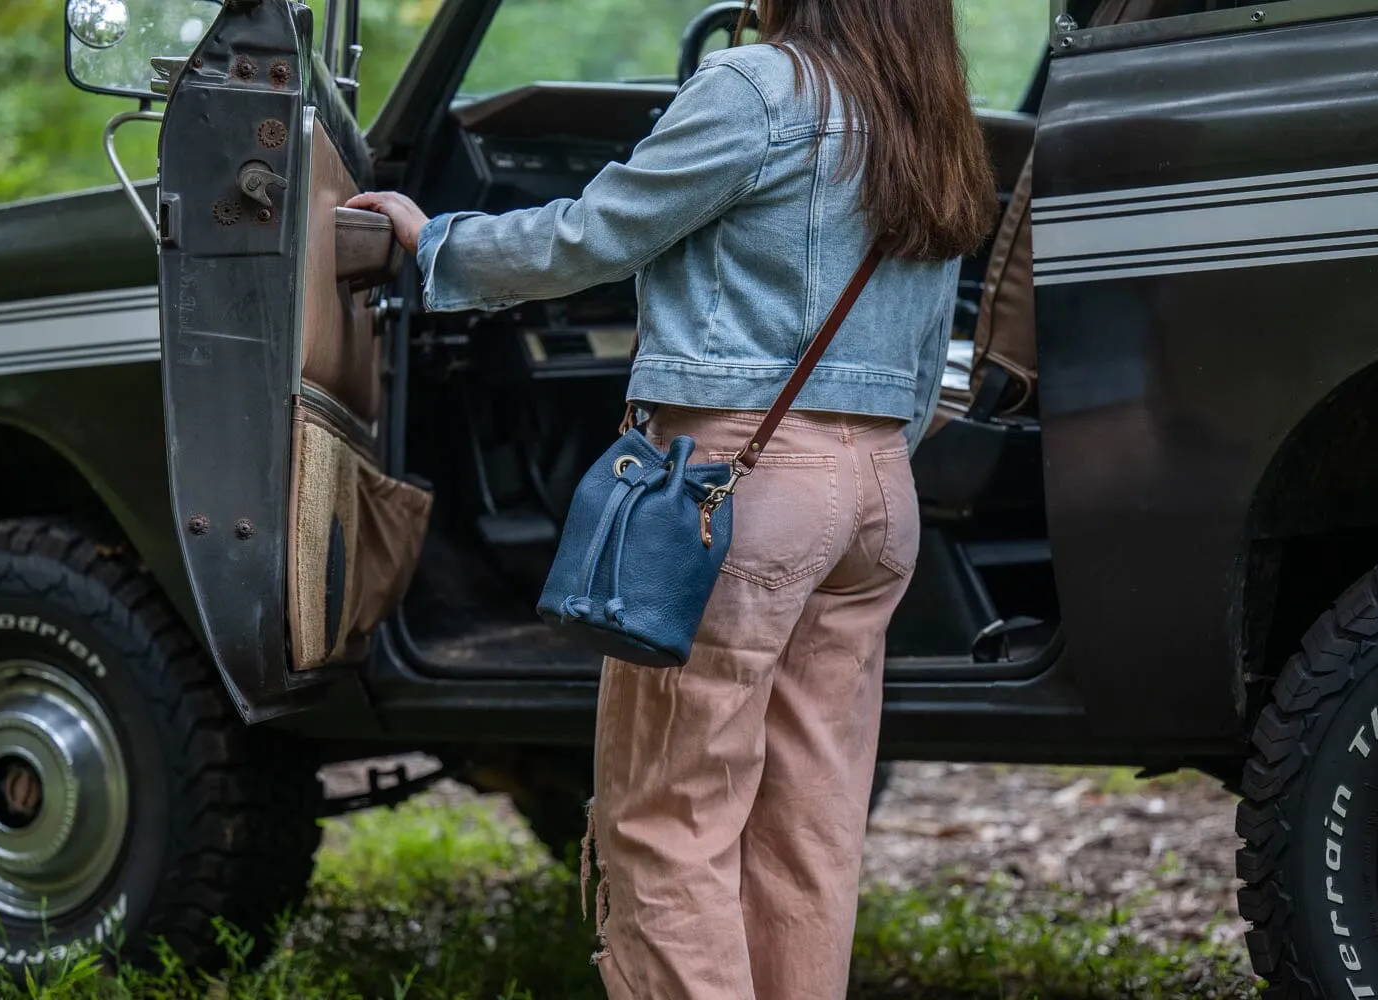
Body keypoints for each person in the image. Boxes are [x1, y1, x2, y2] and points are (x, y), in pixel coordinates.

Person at [349, 1, 994, 995]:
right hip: (879, 495)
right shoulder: (931, 113)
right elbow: (920, 347)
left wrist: (434, 241)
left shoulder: (755, 87)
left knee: (668, 815)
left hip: (736, 482)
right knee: (810, 822)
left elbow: (588, 238)